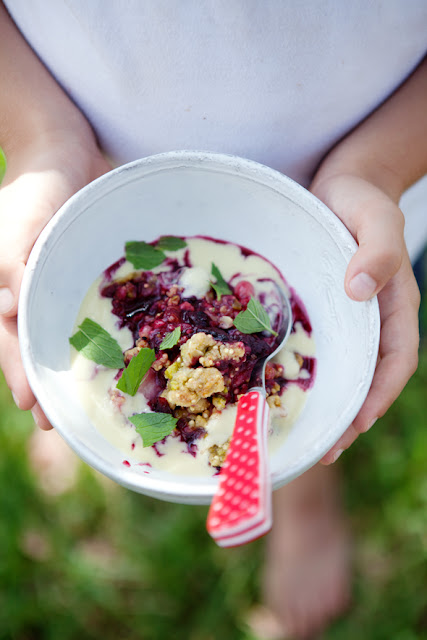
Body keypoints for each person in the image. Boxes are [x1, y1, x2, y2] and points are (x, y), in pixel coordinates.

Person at [0, 2, 426, 638]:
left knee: (319, 421)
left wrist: (377, 169)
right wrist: (41, 138)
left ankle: (305, 490)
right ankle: (84, 409)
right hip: (89, 152)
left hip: (351, 186)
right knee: (81, 383)